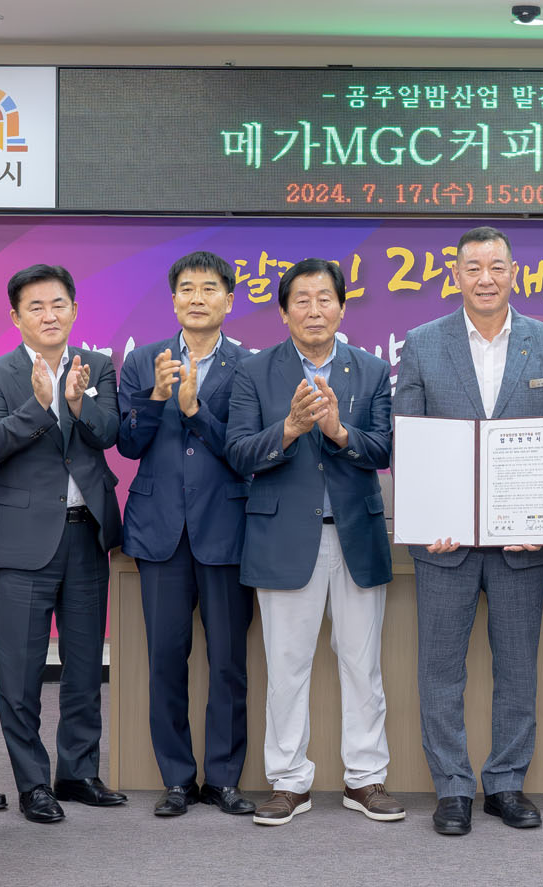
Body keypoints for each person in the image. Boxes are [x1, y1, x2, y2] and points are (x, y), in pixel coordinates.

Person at [392, 227, 543, 836]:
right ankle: (452, 788)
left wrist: (541, 514)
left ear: (513, 273)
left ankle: (505, 783)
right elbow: (406, 437)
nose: (485, 278)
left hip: (520, 544)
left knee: (518, 669)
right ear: (456, 275)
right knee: (440, 671)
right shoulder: (423, 344)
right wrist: (428, 515)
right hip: (444, 544)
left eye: (496, 266)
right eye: (473, 267)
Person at [226, 258, 405, 826]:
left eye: (325, 298)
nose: (313, 310)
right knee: (286, 668)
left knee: (362, 665)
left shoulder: (372, 371)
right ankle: (288, 782)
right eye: (301, 300)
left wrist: (338, 432)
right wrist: (290, 430)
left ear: (343, 308)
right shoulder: (255, 372)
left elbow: (385, 449)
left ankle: (366, 779)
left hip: (356, 537)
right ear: (283, 312)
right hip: (284, 539)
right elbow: (238, 452)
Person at [0, 263, 124, 824]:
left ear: (75, 310)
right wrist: (38, 406)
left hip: (87, 534)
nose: (49, 315)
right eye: (35, 306)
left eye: (58, 304)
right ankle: (33, 782)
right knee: (19, 671)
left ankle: (78, 772)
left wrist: (79, 404)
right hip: (23, 543)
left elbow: (111, 434)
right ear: (15, 317)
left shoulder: (97, 367)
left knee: (84, 667)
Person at [116, 251, 255, 818]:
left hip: (226, 529)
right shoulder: (143, 360)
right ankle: (176, 779)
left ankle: (223, 778)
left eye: (210, 288)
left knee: (228, 662)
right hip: (160, 532)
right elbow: (128, 444)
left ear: (229, 300)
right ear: (173, 299)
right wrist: (155, 398)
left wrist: (195, 410)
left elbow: (245, 452)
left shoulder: (250, 366)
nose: (198, 298)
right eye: (188, 288)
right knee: (166, 659)